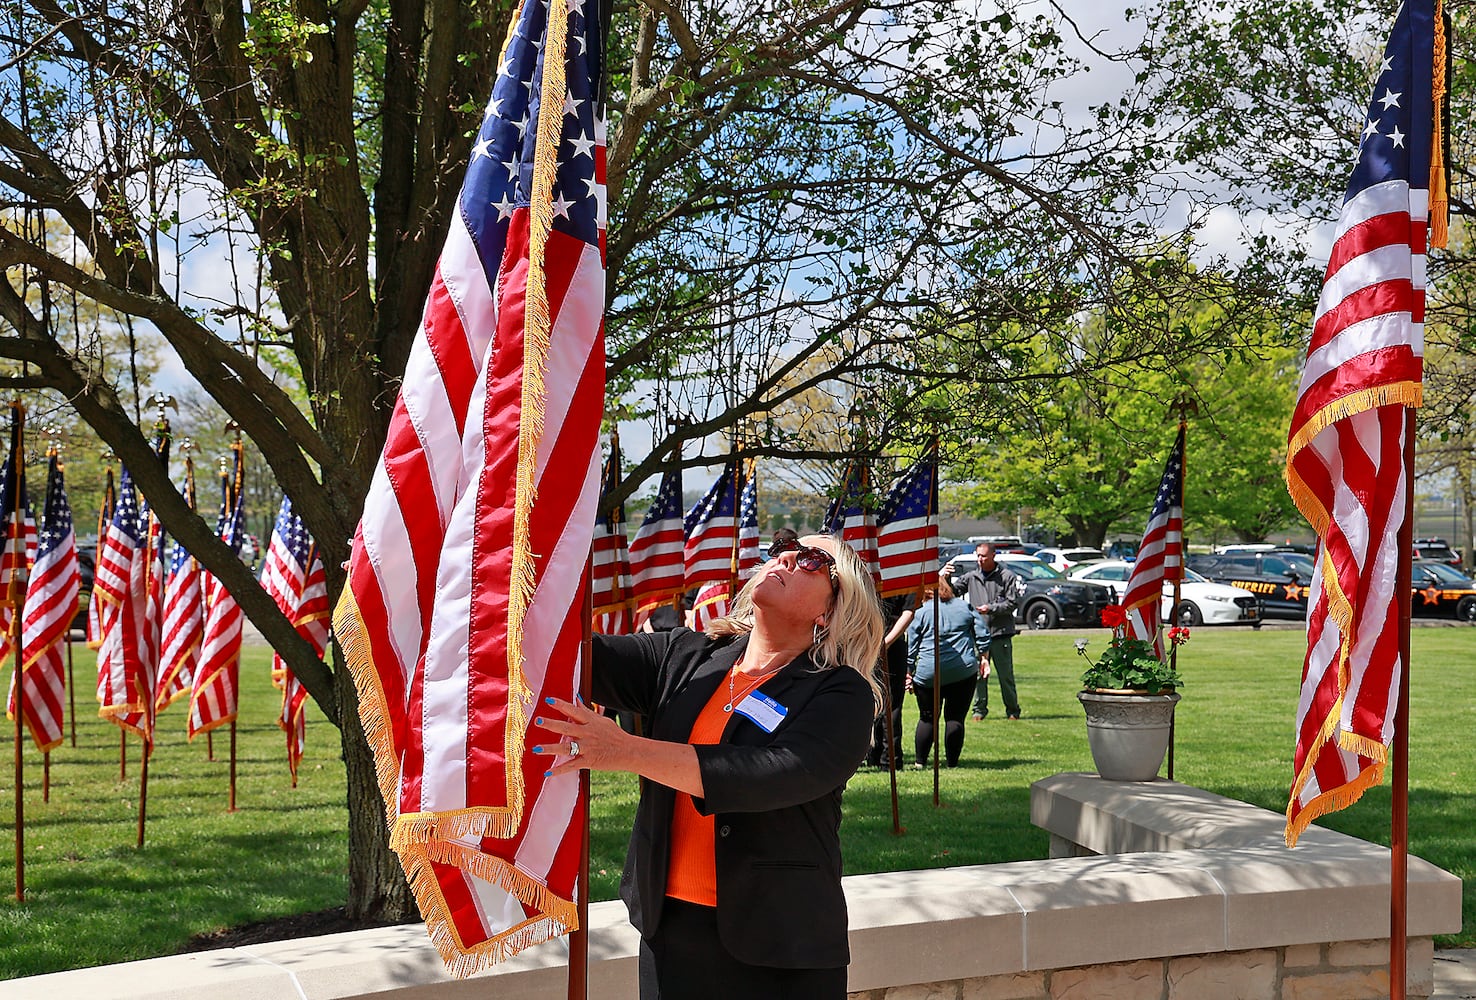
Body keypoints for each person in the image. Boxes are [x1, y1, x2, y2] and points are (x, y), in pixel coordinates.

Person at [535, 533, 885, 1000]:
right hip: (671, 934)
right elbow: (572, 657)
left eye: (812, 561)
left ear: (830, 611)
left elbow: (774, 772)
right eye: (783, 546)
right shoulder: (685, 656)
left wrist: (625, 750)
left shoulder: (841, 694)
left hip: (781, 950)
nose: (785, 556)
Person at [905, 573, 985, 767]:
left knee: (927, 718)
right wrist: (984, 658)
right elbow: (982, 633)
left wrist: (908, 670)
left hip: (928, 673)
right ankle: (952, 763)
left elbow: (912, 645)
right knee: (956, 718)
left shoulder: (921, 611)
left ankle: (920, 762)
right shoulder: (964, 606)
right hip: (963, 671)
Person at [956, 541, 1025, 720]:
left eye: (983, 556)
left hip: (1000, 634)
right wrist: (946, 577)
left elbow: (1012, 603)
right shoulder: (971, 577)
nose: (980, 559)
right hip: (978, 634)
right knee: (979, 675)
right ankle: (979, 710)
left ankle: (1012, 710)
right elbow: (952, 591)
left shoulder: (1006, 576)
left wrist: (991, 608)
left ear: (993, 555)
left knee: (1005, 676)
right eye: (978, 555)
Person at [866, 592, 915, 769]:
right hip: (873, 642)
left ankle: (888, 758)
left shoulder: (899, 573)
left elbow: (908, 613)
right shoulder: (898, 572)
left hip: (882, 643)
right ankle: (878, 755)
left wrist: (885, 643)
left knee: (887, 703)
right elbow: (908, 613)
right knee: (876, 701)